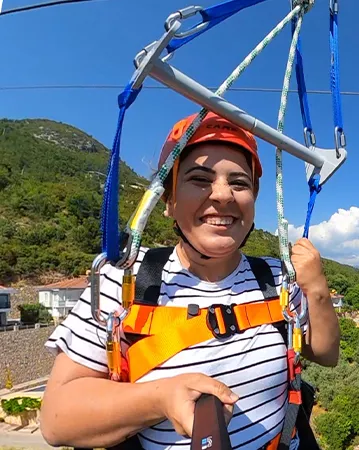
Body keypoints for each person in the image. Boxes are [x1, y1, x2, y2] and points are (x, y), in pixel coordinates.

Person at [39, 112, 340, 450]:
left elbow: (325, 353)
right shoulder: (126, 280)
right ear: (168, 199)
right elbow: (56, 420)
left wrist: (315, 287)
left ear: (253, 201)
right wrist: (160, 399)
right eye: (200, 179)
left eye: (239, 183)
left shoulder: (274, 277)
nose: (223, 195)